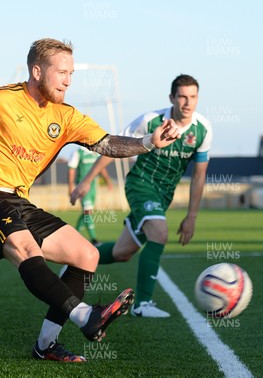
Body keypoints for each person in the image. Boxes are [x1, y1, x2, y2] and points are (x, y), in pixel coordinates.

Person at [0, 38, 181, 362]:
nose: (68, 80)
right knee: (28, 251)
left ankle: (46, 346)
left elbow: (107, 143)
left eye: (71, 73)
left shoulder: (67, 116)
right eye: (61, 72)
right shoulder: (1, 98)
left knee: (86, 255)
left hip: (19, 201)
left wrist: (148, 142)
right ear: (36, 71)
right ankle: (86, 315)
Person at [70, 74, 212, 318]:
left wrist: (192, 216)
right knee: (159, 231)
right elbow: (111, 146)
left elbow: (199, 177)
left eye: (193, 97)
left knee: (122, 252)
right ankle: (142, 304)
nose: (188, 103)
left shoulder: (203, 130)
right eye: (182, 97)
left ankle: (73, 259)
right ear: (172, 98)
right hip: (140, 185)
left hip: (163, 196)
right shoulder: (150, 120)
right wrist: (87, 180)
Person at [67, 147, 113, 245]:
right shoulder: (77, 152)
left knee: (86, 212)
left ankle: (74, 236)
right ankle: (94, 239)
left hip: (93, 187)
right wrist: (70, 187)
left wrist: (108, 181)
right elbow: (72, 169)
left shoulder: (95, 152)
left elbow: (101, 166)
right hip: (82, 187)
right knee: (88, 211)